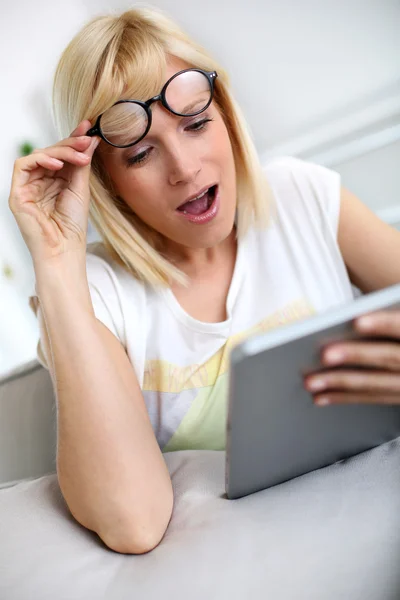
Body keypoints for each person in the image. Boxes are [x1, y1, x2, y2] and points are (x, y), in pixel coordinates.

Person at [8, 7, 400, 555]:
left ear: (228, 118)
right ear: (109, 184)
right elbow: (134, 523)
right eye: (141, 153)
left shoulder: (303, 196)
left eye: (196, 123)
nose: (185, 168)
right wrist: (54, 258)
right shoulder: (96, 292)